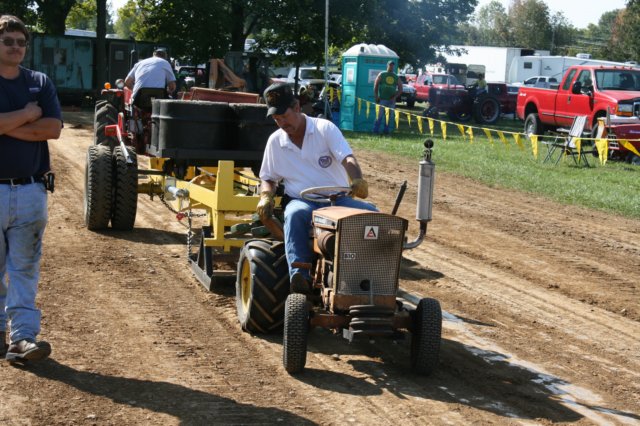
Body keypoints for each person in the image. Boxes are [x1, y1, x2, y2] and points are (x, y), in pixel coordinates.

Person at [256, 82, 376, 294]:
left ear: (297, 108)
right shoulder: (275, 142)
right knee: (294, 215)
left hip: (337, 200)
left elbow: (347, 157)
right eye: (276, 119)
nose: (282, 123)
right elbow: (268, 177)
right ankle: (300, 277)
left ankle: (373, 273)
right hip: (302, 201)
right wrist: (266, 197)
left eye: (284, 116)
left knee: (373, 215)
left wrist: (357, 179)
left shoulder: (324, 129)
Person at [0, 15, 62, 362]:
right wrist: (26, 115)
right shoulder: (29, 98)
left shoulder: (39, 82)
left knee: (24, 268)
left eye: (21, 42)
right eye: (8, 41)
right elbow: (38, 123)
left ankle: (22, 338)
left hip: (30, 191)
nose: (15, 48)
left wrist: (5, 124)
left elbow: (52, 129)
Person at [373, 60, 402, 135]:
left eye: (392, 65)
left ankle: (386, 131)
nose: (391, 66)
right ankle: (375, 131)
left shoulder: (396, 76)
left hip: (391, 101)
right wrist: (376, 96)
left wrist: (395, 97)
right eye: (390, 65)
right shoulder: (382, 74)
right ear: (387, 66)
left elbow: (400, 88)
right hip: (382, 99)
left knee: (389, 117)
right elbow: (375, 85)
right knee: (379, 116)